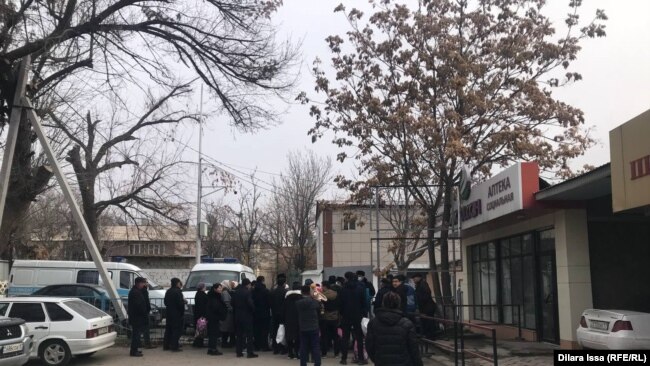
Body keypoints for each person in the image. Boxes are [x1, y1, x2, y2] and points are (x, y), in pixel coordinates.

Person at [366, 292, 423, 366]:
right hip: (404, 362)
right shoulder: (407, 324)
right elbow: (414, 349)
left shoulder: (373, 323)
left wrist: (377, 358)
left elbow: (369, 346)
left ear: (383, 303)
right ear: (398, 304)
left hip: (382, 361)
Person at [339, 272, 367, 365]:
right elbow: (364, 303)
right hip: (358, 315)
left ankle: (344, 359)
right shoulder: (360, 288)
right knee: (359, 337)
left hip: (346, 315)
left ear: (346, 278)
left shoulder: (343, 289)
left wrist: (342, 313)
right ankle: (361, 358)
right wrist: (363, 314)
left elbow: (341, 304)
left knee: (345, 337)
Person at [231, 278, 258, 358]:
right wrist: (253, 309)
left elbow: (232, 302)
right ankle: (250, 352)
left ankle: (239, 352)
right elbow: (250, 303)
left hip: (238, 316)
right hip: (247, 316)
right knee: (249, 334)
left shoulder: (236, 292)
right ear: (248, 284)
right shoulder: (247, 292)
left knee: (239, 335)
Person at [297, 285, 322, 366]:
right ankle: (317, 363)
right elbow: (319, 307)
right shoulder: (314, 302)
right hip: (314, 326)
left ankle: (303, 364)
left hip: (303, 327)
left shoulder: (298, 303)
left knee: (303, 347)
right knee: (315, 347)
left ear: (301, 292)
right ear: (309, 292)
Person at [163, 277, 186, 352]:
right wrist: (184, 302)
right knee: (176, 330)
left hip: (169, 313)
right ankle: (174, 346)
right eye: (180, 283)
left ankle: (166, 345)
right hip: (177, 314)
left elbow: (165, 302)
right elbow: (180, 304)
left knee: (168, 329)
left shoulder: (168, 291)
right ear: (177, 283)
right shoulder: (178, 292)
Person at [128, 277, 148, 357]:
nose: (144, 285)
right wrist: (144, 314)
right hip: (137, 317)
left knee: (137, 335)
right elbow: (139, 306)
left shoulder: (136, 291)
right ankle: (133, 351)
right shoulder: (136, 293)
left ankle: (135, 350)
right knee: (136, 335)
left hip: (136, 317)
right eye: (143, 283)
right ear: (139, 283)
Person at [412, 273, 437, 339]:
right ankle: (429, 336)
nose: (414, 280)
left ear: (419, 278)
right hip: (426, 306)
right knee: (426, 321)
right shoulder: (420, 284)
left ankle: (430, 336)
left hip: (427, 307)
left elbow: (426, 294)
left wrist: (421, 301)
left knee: (428, 321)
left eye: (414, 278)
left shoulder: (423, 284)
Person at [320, 280, 340, 358]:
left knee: (324, 336)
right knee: (335, 336)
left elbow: (320, 306)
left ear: (325, 286)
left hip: (325, 317)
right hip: (335, 317)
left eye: (322, 286)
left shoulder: (322, 296)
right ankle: (336, 353)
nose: (321, 288)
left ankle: (324, 353)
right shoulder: (336, 294)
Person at [206, 283, 227, 355]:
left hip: (213, 317)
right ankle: (213, 349)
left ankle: (211, 348)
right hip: (214, 317)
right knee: (213, 334)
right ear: (215, 289)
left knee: (213, 333)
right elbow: (215, 307)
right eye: (219, 288)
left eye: (221, 288)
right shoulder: (214, 297)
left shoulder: (213, 295)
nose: (221, 289)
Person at [252, 275, 272, 351]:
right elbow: (269, 302)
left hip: (255, 314)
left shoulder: (253, 291)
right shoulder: (266, 291)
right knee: (264, 330)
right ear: (263, 280)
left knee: (256, 330)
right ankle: (264, 346)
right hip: (265, 314)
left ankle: (257, 345)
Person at [284, 282, 303, 359]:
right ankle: (297, 353)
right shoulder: (301, 298)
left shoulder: (287, 298)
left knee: (289, 336)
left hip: (288, 319)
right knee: (298, 337)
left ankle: (290, 353)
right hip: (298, 319)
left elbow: (284, 309)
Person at [270, 274, 288, 354]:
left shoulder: (273, 292)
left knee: (275, 330)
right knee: (282, 331)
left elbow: (270, 303)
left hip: (274, 313)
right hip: (283, 314)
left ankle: (275, 348)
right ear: (284, 283)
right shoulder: (285, 292)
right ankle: (283, 348)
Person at [220, 280, 236, 348]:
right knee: (226, 329)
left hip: (227, 314)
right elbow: (227, 303)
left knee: (227, 329)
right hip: (227, 314)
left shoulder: (226, 292)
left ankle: (227, 342)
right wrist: (232, 309)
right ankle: (225, 343)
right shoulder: (225, 293)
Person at [140, 280, 156, 349]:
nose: (148, 284)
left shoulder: (141, 290)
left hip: (142, 311)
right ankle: (147, 343)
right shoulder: (144, 291)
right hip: (144, 312)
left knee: (142, 328)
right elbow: (146, 301)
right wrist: (148, 309)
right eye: (146, 282)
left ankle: (141, 342)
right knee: (146, 328)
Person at [192, 282, 208, 348]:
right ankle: (199, 343)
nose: (205, 288)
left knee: (199, 328)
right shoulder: (202, 294)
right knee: (201, 329)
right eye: (204, 286)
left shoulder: (198, 294)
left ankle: (197, 343)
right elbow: (203, 305)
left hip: (198, 313)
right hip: (201, 314)